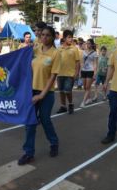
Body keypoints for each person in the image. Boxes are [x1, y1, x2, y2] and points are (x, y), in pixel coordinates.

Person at [18, 26, 60, 165]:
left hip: (46, 93)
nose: (44, 37)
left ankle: (54, 143)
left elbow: (53, 77)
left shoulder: (55, 53)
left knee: (45, 119)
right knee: (30, 123)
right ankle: (28, 152)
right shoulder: (35, 50)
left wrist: (42, 95)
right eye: (42, 34)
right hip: (31, 91)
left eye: (48, 35)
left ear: (53, 37)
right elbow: (21, 61)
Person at [56, 30, 80, 114]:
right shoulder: (59, 49)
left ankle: (70, 104)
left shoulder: (74, 49)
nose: (71, 39)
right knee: (61, 91)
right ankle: (63, 106)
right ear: (64, 38)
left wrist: (76, 73)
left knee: (67, 90)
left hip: (70, 74)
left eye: (71, 37)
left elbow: (77, 62)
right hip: (60, 73)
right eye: (69, 37)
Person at [80, 38, 98, 107]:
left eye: (89, 43)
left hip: (90, 71)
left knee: (88, 87)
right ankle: (89, 98)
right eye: (87, 43)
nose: (88, 44)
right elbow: (82, 62)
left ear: (92, 44)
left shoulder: (95, 53)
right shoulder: (83, 52)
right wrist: (80, 70)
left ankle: (83, 102)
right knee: (85, 87)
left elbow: (95, 63)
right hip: (84, 70)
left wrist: (95, 72)